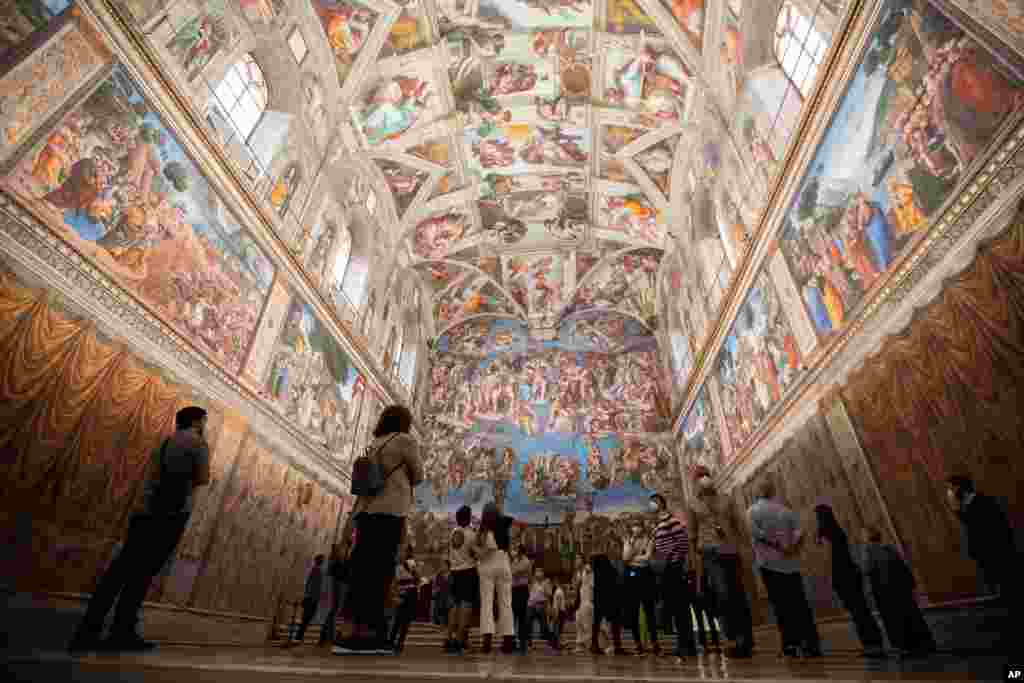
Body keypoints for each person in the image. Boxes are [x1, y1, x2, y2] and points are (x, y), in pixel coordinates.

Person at [69, 406, 211, 653]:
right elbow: (202, 478)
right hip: (170, 513)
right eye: (204, 421)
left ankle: (89, 630)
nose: (204, 425)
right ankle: (120, 632)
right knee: (141, 576)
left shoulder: (167, 441)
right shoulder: (198, 443)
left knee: (120, 571)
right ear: (197, 422)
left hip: (145, 512)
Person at [334, 405, 424, 655]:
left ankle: (348, 632)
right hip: (390, 512)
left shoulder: (376, 442)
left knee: (361, 571)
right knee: (381, 572)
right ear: (405, 422)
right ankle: (369, 636)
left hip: (368, 513)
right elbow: (419, 476)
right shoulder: (405, 440)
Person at [747, 479, 822, 658]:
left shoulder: (752, 511)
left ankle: (790, 644)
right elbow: (799, 532)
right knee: (800, 604)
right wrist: (791, 547)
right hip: (791, 564)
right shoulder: (785, 510)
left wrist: (777, 545)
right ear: (772, 491)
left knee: (780, 605)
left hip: (769, 564)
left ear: (758, 492)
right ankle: (811, 644)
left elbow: (756, 534)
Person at [687, 466, 754, 657]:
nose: (703, 479)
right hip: (710, 553)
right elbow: (692, 535)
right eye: (699, 476)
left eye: (705, 475)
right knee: (723, 594)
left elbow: (738, 525)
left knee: (738, 593)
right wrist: (695, 564)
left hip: (730, 550)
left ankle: (746, 638)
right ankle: (731, 638)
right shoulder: (692, 504)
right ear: (695, 482)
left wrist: (746, 549)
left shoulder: (725, 499)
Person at [814, 504, 885, 657]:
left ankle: (872, 645)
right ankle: (872, 644)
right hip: (849, 575)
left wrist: (818, 535)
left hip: (845, 577)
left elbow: (825, 541)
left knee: (859, 612)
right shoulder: (836, 532)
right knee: (861, 611)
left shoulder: (832, 534)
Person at [862, 527, 935, 658]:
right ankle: (924, 643)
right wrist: (910, 584)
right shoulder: (889, 548)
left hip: (885, 592)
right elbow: (903, 567)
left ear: (867, 538)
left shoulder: (869, 552)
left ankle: (904, 646)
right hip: (901, 590)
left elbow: (870, 573)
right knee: (912, 616)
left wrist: (871, 593)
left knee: (894, 620)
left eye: (863, 535)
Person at [946, 473, 1017, 603]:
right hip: (985, 554)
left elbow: (984, 528)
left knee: (1008, 590)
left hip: (997, 553)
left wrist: (956, 508)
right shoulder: (968, 505)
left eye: (951, 489)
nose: (949, 493)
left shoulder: (983, 502)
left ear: (960, 488)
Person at [651, 493, 696, 658]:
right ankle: (682, 643)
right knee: (675, 608)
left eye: (654, 502)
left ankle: (688, 645)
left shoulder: (672, 521)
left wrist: (675, 560)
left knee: (681, 608)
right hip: (665, 570)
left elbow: (683, 542)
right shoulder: (657, 524)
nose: (652, 505)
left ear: (661, 503)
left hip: (674, 568)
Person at [474, 502, 516, 653]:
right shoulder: (504, 523)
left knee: (487, 602)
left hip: (487, 564)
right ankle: (508, 641)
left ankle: (487, 641)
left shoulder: (483, 529)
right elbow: (514, 527)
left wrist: (476, 553)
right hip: (503, 561)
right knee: (506, 603)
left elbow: (482, 550)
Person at [444, 505, 478, 653]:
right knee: (466, 607)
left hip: (454, 572)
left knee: (454, 607)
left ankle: (448, 638)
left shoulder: (452, 533)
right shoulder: (471, 535)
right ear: (468, 517)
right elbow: (477, 554)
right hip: (468, 572)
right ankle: (459, 641)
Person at [622, 522, 659, 655]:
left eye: (638, 525)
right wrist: (632, 547)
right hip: (632, 576)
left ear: (642, 528)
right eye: (634, 526)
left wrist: (634, 558)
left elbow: (647, 558)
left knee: (649, 612)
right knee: (633, 612)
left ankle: (655, 644)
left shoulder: (649, 540)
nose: (636, 528)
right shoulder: (628, 540)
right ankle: (638, 644)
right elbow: (625, 558)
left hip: (645, 576)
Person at [590, 554, 626, 655]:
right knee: (615, 624)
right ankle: (617, 646)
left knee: (596, 623)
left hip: (600, 601)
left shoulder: (597, 573)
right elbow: (617, 585)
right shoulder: (610, 570)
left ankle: (594, 645)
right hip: (611, 601)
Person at [389, 546, 420, 654]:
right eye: (400, 551)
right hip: (401, 593)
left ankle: (399, 644)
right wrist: (395, 594)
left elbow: (417, 578)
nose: (401, 553)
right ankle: (391, 642)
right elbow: (394, 581)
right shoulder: (395, 564)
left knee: (404, 621)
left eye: (404, 551)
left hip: (409, 594)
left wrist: (409, 582)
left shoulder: (410, 563)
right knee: (397, 620)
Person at [319, 543, 349, 646]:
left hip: (338, 587)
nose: (341, 552)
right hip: (336, 587)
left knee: (332, 614)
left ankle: (326, 637)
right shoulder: (335, 563)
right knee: (332, 613)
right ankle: (327, 637)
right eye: (339, 550)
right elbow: (337, 575)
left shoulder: (336, 562)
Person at [292, 554, 326, 645]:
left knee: (306, 619)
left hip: (311, 598)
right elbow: (313, 586)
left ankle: (298, 637)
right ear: (320, 561)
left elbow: (310, 585)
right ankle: (298, 637)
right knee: (306, 619)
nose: (324, 562)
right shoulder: (317, 571)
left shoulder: (316, 570)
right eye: (323, 560)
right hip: (312, 599)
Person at [525, 567, 556, 650]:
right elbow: (529, 592)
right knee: (528, 623)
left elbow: (549, 594)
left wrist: (544, 588)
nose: (538, 573)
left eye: (540, 571)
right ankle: (529, 643)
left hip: (542, 605)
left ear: (543, 573)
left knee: (544, 625)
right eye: (537, 571)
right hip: (531, 605)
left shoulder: (546, 582)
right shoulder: (532, 582)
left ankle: (551, 642)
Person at [510, 545, 532, 652]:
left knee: (522, 617)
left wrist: (513, 572)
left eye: (516, 549)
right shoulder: (514, 560)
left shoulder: (526, 561)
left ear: (521, 551)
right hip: (514, 590)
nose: (515, 551)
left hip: (522, 590)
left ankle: (523, 643)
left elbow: (517, 572)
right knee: (513, 616)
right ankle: (512, 642)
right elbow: (511, 572)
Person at [432, 562, 451, 626]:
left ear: (448, 566)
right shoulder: (439, 575)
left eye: (444, 565)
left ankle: (447, 624)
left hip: (449, 595)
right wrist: (436, 589)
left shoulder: (452, 574)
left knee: (448, 610)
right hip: (440, 595)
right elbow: (435, 585)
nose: (443, 567)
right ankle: (441, 624)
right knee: (440, 609)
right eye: (442, 565)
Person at [551, 581, 566, 649]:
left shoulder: (558, 591)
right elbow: (558, 603)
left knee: (557, 629)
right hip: (560, 611)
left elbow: (558, 603)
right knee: (558, 629)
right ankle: (557, 644)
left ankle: (557, 644)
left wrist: (556, 612)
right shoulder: (559, 591)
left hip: (559, 611)